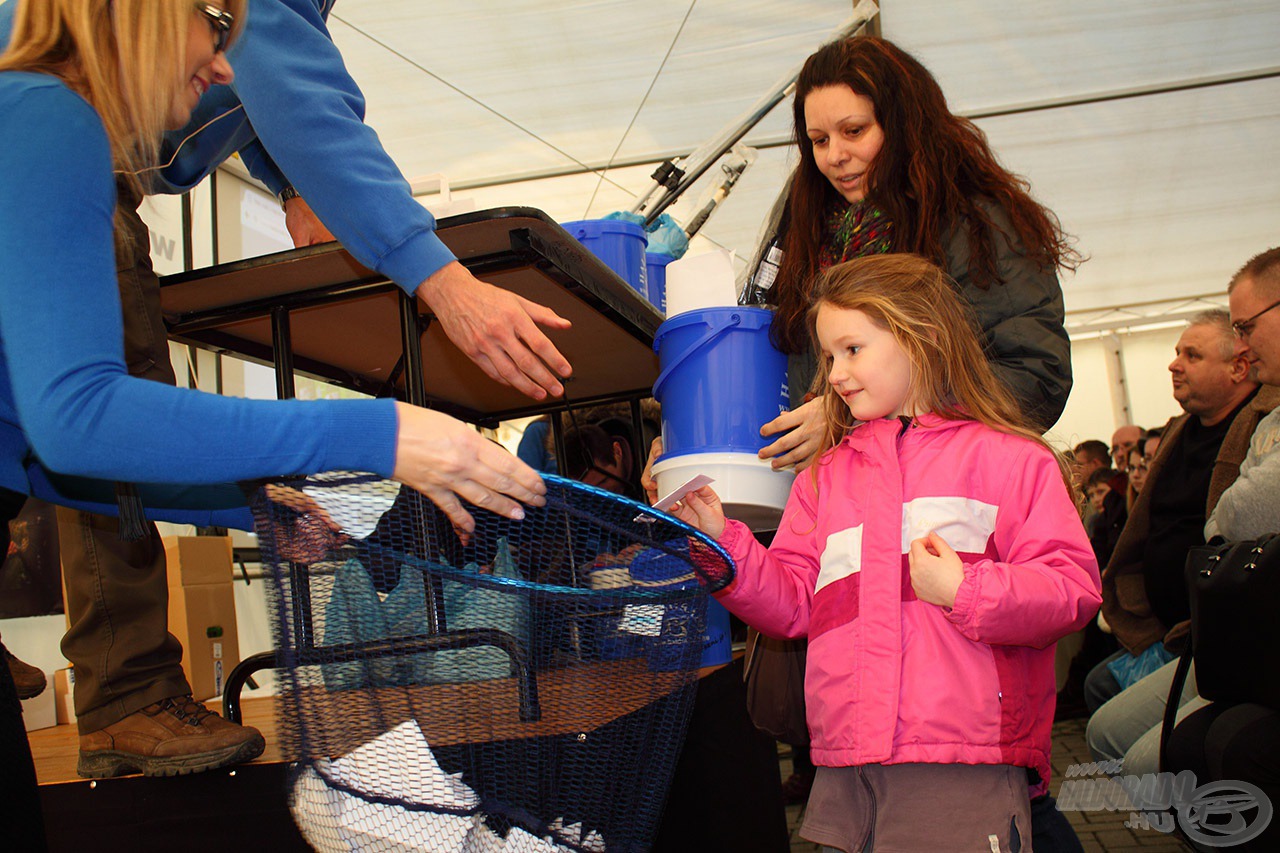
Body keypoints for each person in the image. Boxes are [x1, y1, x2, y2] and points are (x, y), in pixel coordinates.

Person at [0, 1, 547, 843]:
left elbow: (37, 453)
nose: (226, 66)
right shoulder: (49, 118)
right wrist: (375, 433)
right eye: (214, 22)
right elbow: (77, 417)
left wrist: (245, 502)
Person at [666, 254, 1101, 852]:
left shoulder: (1011, 461)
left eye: (852, 349)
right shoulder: (825, 478)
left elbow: (1070, 589)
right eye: (827, 356)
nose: (836, 374)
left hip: (959, 757)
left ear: (921, 338)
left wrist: (966, 591)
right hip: (850, 760)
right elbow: (796, 603)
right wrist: (723, 543)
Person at [752, 35, 1077, 476]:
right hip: (833, 503)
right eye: (818, 140)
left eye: (854, 131)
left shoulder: (976, 225)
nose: (836, 156)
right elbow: (769, 360)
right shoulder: (804, 227)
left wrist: (856, 419)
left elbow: (1035, 376)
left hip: (941, 499)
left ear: (904, 123)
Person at [1085, 307, 1279, 776]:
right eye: (1175, 353)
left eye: (1191, 355)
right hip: (1163, 627)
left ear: (1237, 368)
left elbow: (1234, 519)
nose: (1174, 364)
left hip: (1222, 634)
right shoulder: (1178, 432)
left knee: (1146, 757)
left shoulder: (1259, 425)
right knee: (1103, 724)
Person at [1165, 248, 1280, 853]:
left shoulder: (1261, 419)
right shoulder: (1266, 421)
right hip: (1224, 640)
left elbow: (1239, 514)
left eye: (1246, 326)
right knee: (1186, 747)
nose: (1242, 344)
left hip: (1232, 639)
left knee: (1227, 748)